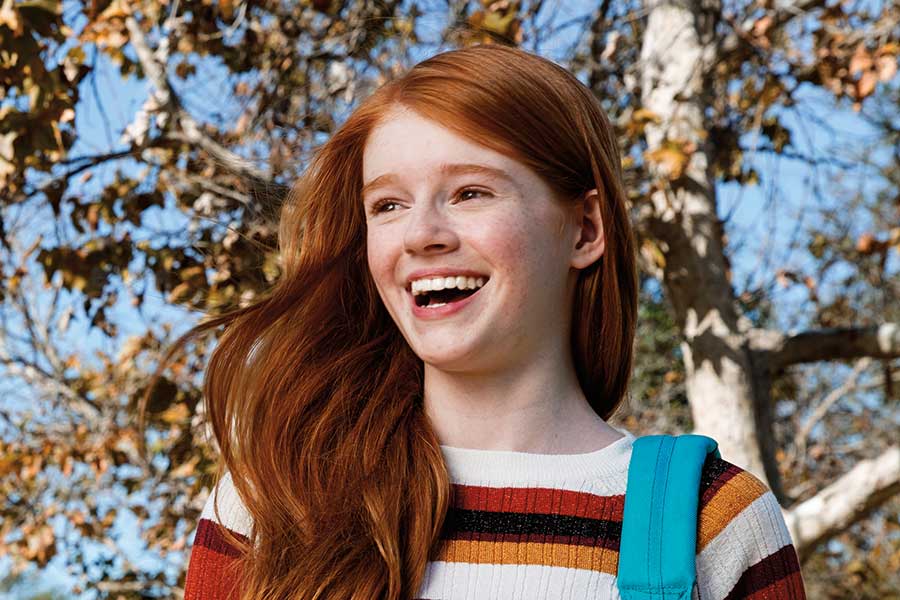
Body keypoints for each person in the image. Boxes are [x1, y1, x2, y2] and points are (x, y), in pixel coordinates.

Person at [170, 44, 805, 599]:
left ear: (584, 229)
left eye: (470, 192)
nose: (420, 235)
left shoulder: (712, 521)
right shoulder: (273, 496)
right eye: (388, 205)